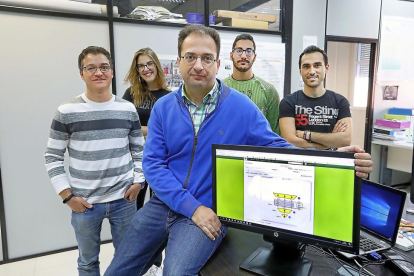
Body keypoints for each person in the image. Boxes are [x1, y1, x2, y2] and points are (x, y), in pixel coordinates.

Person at [104, 25, 373, 276]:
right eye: (190, 56)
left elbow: (276, 146)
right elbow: (153, 165)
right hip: (163, 204)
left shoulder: (241, 107)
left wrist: (336, 158)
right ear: (179, 61)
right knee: (118, 270)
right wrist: (190, 206)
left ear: (219, 64)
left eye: (207, 58)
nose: (199, 65)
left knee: (176, 272)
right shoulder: (164, 108)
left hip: (210, 209)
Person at [44, 46, 145, 276]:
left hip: (124, 200)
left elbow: (139, 149)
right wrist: (67, 196)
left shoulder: (127, 109)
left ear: (111, 71)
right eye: (91, 68)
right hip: (85, 204)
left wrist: (139, 181)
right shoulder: (66, 111)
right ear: (82, 73)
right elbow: (52, 156)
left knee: (127, 259)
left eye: (104, 67)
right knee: (88, 262)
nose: (98, 72)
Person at [122, 47, 169, 275]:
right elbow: (124, 127)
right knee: (137, 215)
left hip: (161, 161)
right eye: (141, 65)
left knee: (159, 216)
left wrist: (141, 130)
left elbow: (170, 131)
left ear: (157, 66)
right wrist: (152, 129)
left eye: (149, 63)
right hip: (135, 162)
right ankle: (139, 262)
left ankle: (157, 264)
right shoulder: (131, 94)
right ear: (137, 69)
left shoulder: (169, 96)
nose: (146, 68)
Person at [279, 45, 352, 149]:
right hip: (300, 163)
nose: (312, 71)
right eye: (306, 66)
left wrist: (306, 135)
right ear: (300, 71)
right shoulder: (288, 102)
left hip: (330, 162)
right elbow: (290, 141)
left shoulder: (340, 102)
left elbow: (345, 140)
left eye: (317, 65)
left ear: (326, 68)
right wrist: (330, 141)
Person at [223, 34, 281, 134]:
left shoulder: (269, 91)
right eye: (239, 51)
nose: (244, 56)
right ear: (231, 55)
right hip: (226, 147)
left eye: (249, 51)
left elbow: (274, 134)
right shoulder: (220, 88)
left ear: (254, 57)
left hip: (258, 148)